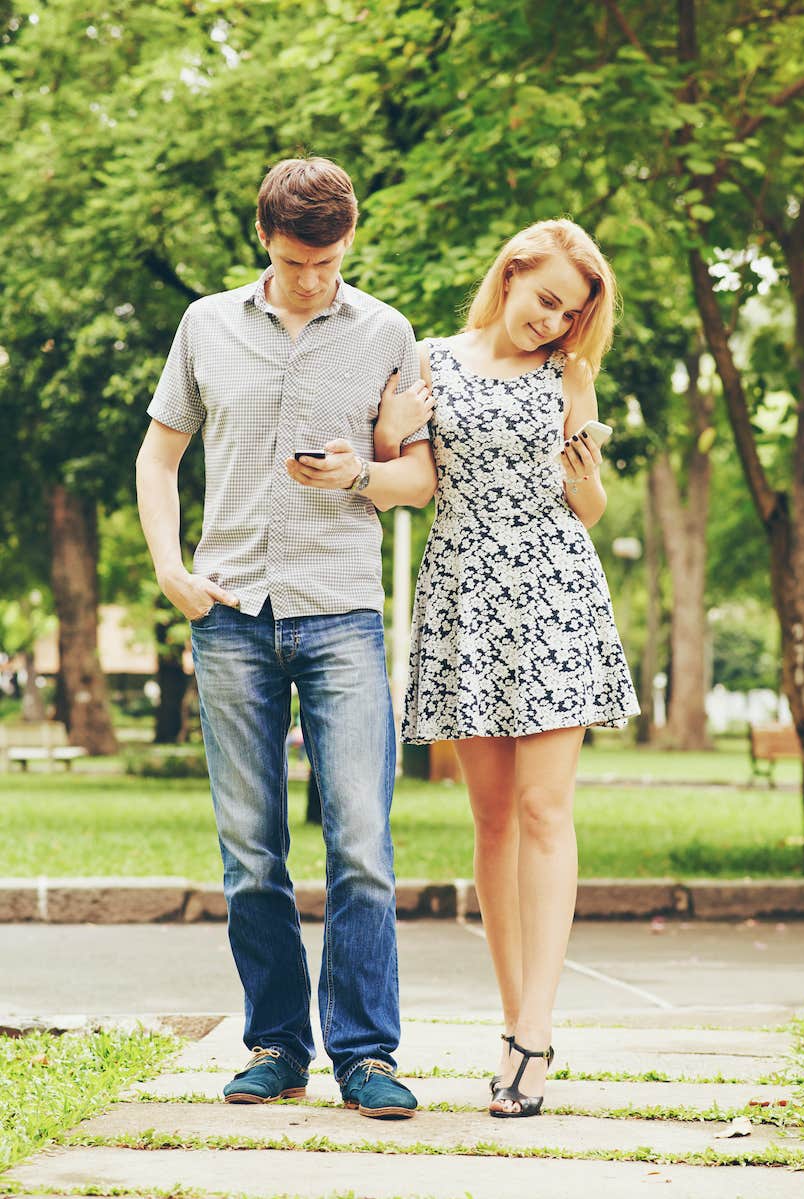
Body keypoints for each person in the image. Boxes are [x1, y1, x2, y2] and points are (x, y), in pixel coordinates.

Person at [136, 156, 436, 1119]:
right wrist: (169, 566)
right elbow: (159, 453)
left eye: (329, 261)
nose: (312, 279)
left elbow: (418, 478)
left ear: (349, 240)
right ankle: (276, 1044)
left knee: (362, 843)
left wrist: (357, 472)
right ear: (264, 238)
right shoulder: (205, 325)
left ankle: (366, 1053)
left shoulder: (387, 333)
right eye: (296, 261)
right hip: (229, 612)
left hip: (341, 609)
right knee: (251, 849)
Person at [374, 219, 639, 1117]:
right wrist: (388, 434)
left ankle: (536, 1032)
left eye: (569, 314)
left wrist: (586, 469)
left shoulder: (570, 374)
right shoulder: (428, 360)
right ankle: (510, 1018)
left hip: (553, 592)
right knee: (490, 819)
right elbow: (409, 478)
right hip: (464, 594)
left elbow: (589, 508)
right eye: (546, 301)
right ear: (513, 273)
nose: (553, 322)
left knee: (542, 809)